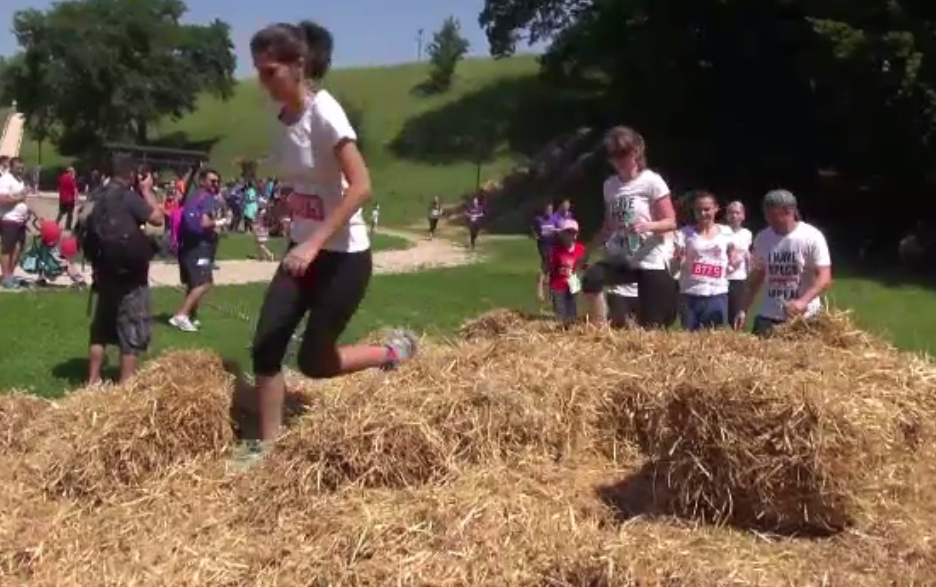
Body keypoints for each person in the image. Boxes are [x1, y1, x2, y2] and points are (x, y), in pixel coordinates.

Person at [242, 20, 418, 458]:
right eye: (258, 71)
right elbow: (304, 183)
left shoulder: (326, 113)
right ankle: (268, 451)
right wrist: (281, 208)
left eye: (270, 72)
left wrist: (313, 242)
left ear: (297, 65)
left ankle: (389, 354)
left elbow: (360, 186)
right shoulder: (282, 119)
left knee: (314, 364)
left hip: (343, 259)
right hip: (302, 253)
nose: (263, 82)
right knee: (266, 345)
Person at [582, 126, 678, 328]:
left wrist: (648, 226)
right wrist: (586, 251)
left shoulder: (652, 181)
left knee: (653, 324)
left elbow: (671, 222)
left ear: (636, 152)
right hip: (623, 256)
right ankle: (599, 329)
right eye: (613, 156)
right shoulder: (610, 185)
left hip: (649, 259)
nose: (618, 161)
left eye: (622, 154)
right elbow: (608, 225)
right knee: (592, 278)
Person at [82, 155, 164, 384]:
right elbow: (158, 219)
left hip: (104, 271)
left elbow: (83, 226)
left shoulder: (97, 196)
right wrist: (147, 191)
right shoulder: (129, 198)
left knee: (100, 329)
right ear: (131, 175)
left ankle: (93, 379)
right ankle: (125, 384)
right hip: (132, 277)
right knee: (132, 329)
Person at [733, 189, 833, 336]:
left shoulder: (811, 236)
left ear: (789, 212)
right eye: (766, 215)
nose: (768, 219)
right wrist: (743, 309)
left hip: (804, 318)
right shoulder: (763, 238)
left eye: (773, 215)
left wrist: (803, 302)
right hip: (769, 316)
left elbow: (825, 277)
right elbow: (757, 276)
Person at [170, 168, 227, 332]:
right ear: (202, 181)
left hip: (188, 246)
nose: (215, 184)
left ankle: (190, 315)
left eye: (217, 181)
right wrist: (221, 222)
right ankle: (181, 315)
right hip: (201, 247)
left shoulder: (193, 197)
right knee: (205, 282)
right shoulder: (208, 199)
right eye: (212, 181)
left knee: (194, 283)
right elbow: (204, 223)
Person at [672, 191, 738, 331]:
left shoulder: (727, 232)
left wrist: (733, 262)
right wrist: (678, 260)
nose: (702, 214)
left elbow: (734, 257)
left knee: (715, 341)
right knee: (690, 341)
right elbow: (675, 266)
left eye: (707, 209)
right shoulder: (684, 233)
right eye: (698, 210)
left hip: (717, 293)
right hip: (691, 294)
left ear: (716, 208)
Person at [539, 218, 585, 326]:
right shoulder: (555, 251)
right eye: (568, 232)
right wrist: (540, 287)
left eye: (573, 232)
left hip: (573, 283)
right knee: (560, 312)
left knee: (572, 312)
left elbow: (584, 267)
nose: (571, 235)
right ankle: (561, 333)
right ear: (562, 234)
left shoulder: (580, 249)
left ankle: (571, 333)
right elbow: (545, 269)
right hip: (558, 285)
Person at [0, 157, 30, 290]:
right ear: (11, 167)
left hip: (20, 220)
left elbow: (22, 200)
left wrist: (30, 212)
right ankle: (6, 277)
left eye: (22, 168)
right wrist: (20, 197)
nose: (20, 170)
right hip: (9, 219)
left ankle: (10, 275)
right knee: (8, 249)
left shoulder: (20, 180)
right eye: (18, 168)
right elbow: (2, 200)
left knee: (18, 248)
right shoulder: (5, 180)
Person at [724, 201, 753, 326]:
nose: (734, 216)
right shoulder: (721, 232)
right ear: (726, 215)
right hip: (721, 278)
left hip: (739, 278)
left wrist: (750, 274)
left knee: (736, 314)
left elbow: (747, 254)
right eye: (731, 213)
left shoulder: (747, 234)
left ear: (743, 215)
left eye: (737, 213)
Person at [532, 202, 558, 275]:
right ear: (544, 210)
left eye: (551, 210)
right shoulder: (538, 219)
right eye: (548, 210)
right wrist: (536, 235)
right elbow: (533, 228)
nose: (549, 211)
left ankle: (548, 274)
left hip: (552, 243)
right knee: (545, 258)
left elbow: (558, 228)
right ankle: (543, 274)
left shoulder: (554, 219)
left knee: (551, 259)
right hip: (542, 243)